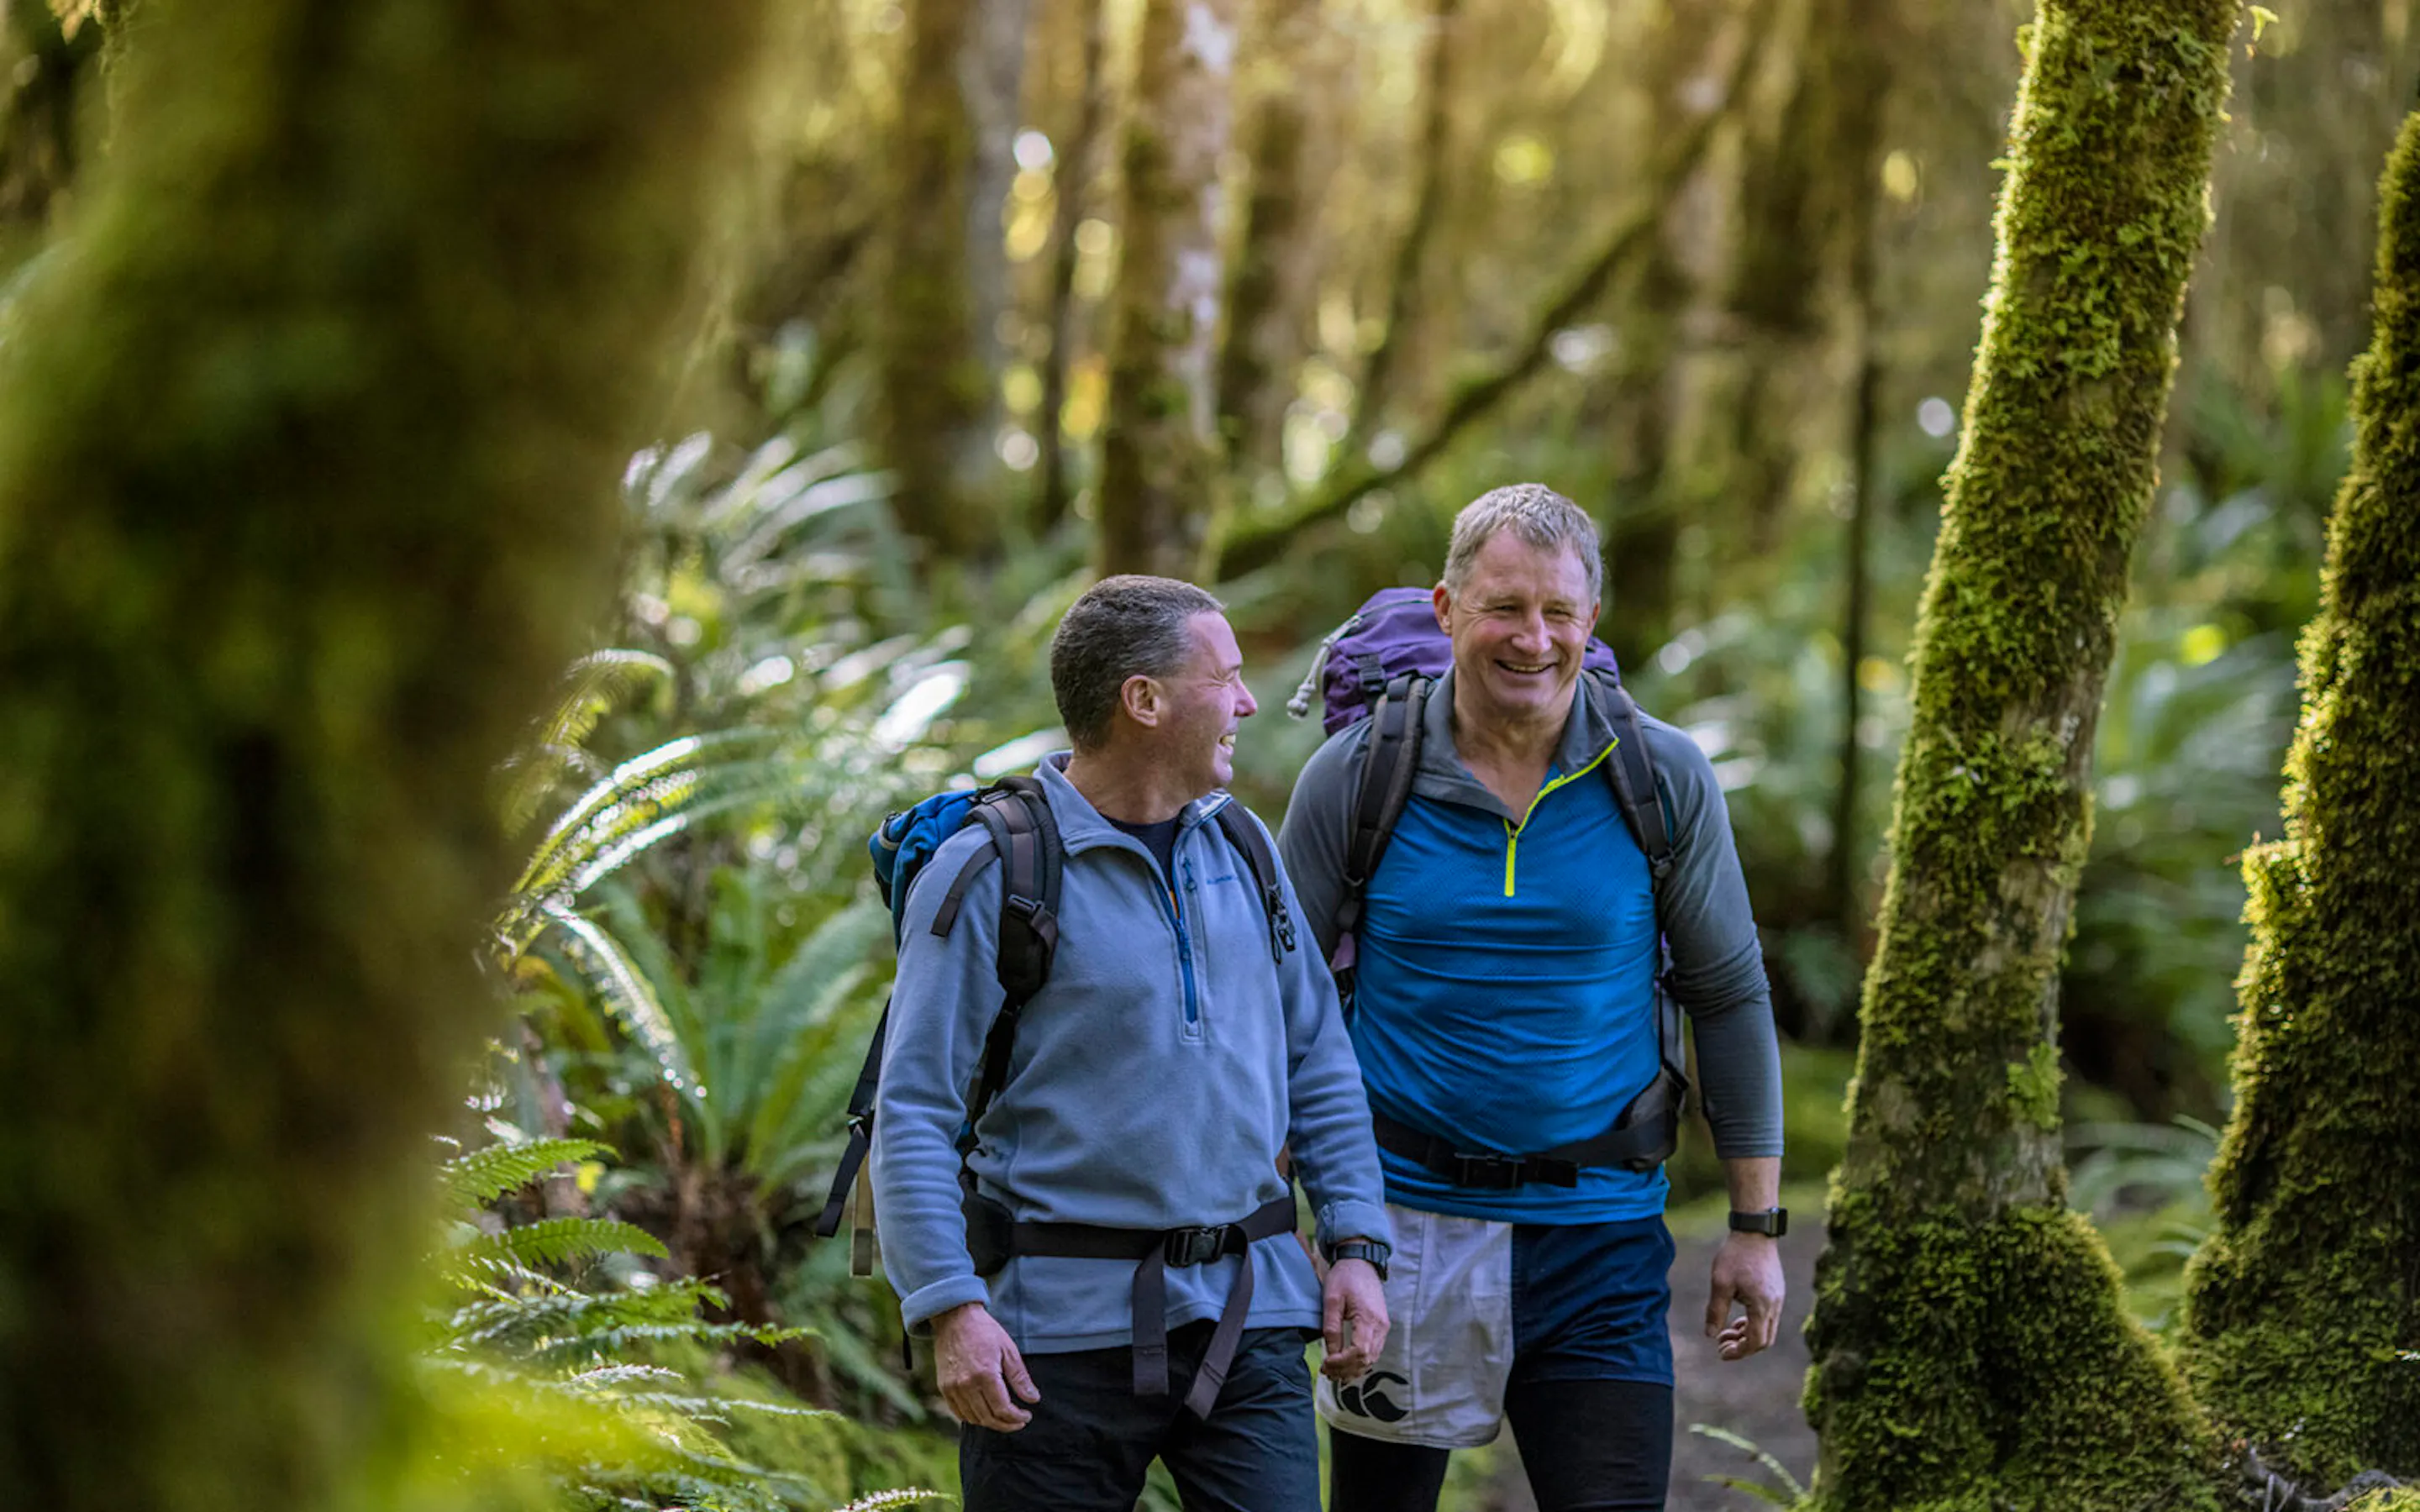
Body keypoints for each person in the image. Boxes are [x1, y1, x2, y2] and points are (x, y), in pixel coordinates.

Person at [1278, 486, 1786, 1512]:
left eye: (1559, 612)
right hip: (1397, 1233)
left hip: (1599, 1240)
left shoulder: (1661, 776)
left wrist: (1756, 1226)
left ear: (1592, 620)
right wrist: (1291, 1214)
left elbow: (1727, 996)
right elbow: (1279, 1004)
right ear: (1446, 609)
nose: (1533, 638)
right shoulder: (1358, 774)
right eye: (1505, 607)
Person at [872, 574, 1393, 1512]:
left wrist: (1357, 1241)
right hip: (1048, 1341)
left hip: (1251, 1317)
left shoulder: (1244, 846)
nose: (1246, 701)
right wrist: (951, 1308)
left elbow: (1317, 1058)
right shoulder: (993, 869)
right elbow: (913, 1109)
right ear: (1143, 700)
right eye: (1224, 678)